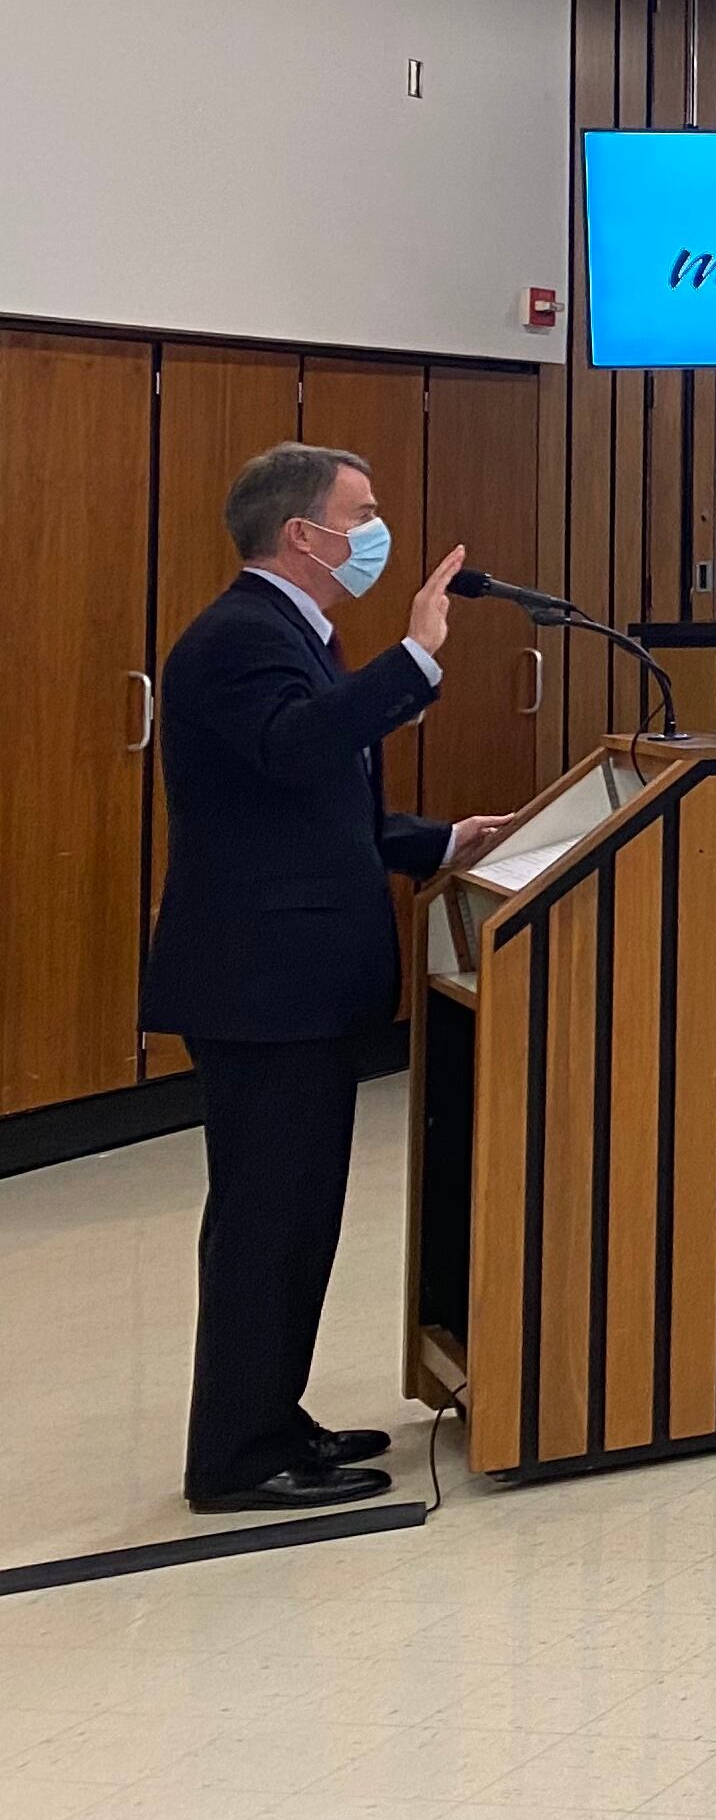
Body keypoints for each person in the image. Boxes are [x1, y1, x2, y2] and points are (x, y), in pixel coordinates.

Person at [143, 444, 506, 1511]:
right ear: (304, 534)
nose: (377, 531)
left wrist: (439, 841)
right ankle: (236, 1455)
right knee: (266, 1220)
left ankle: (273, 1418)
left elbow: (313, 809)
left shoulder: (291, 636)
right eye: (364, 513)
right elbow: (300, 752)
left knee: (299, 1218)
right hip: (263, 987)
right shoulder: (240, 641)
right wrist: (416, 661)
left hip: (297, 984)